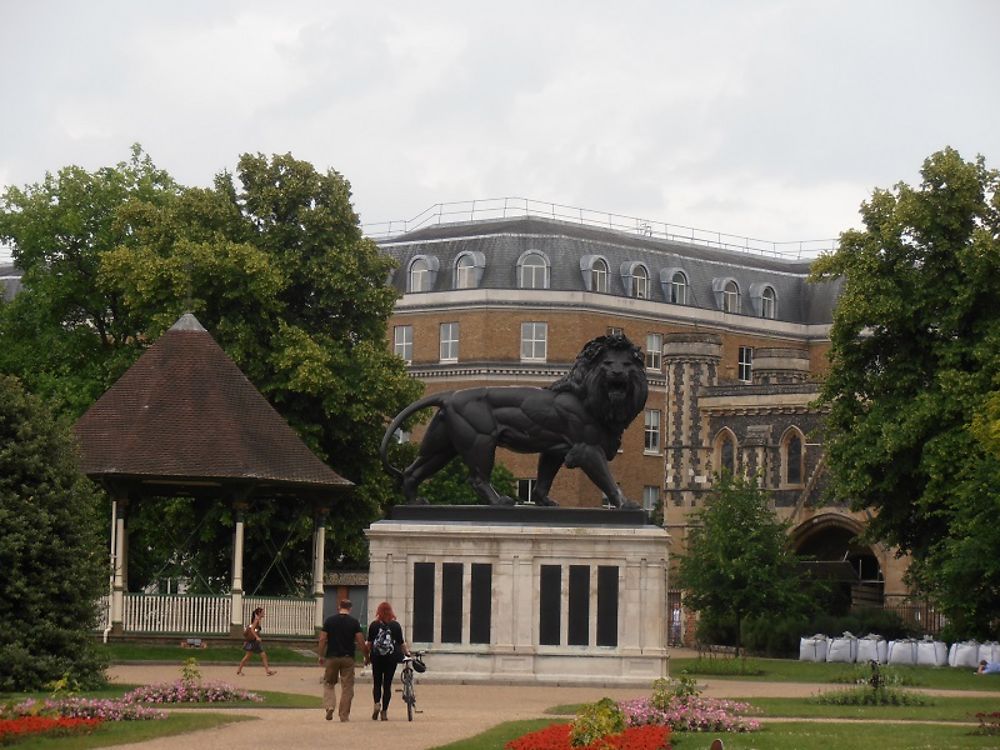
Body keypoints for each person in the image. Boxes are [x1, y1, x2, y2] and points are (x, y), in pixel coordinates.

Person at [318, 598, 368, 722]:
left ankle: (330, 706)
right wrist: (367, 656)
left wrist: (321, 655)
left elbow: (322, 639)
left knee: (329, 683)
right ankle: (344, 715)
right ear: (350, 608)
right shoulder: (354, 622)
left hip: (332, 657)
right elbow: (361, 641)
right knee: (347, 687)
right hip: (348, 658)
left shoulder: (329, 621)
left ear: (339, 607)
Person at [365, 601, 410, 721]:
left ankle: (376, 704)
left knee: (377, 683)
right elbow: (401, 643)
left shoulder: (374, 625)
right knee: (387, 684)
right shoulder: (395, 626)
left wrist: (367, 657)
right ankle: (384, 711)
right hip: (391, 658)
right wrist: (407, 653)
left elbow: (369, 644)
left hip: (377, 657)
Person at [236, 607, 276, 676]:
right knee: (258, 656)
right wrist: (257, 637)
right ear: (259, 613)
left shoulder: (257, 619)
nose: (264, 613)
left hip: (254, 642)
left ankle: (239, 670)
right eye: (263, 612)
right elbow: (252, 629)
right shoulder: (257, 620)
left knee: (255, 656)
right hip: (254, 642)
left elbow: (254, 630)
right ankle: (268, 671)